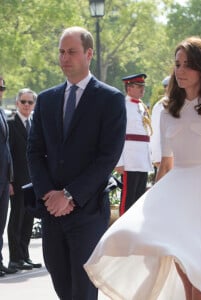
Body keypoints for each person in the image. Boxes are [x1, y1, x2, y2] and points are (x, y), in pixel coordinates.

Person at [84, 36, 201, 300]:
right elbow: (166, 164)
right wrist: (153, 208)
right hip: (176, 202)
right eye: (177, 64)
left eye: (187, 65)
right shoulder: (169, 111)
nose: (179, 71)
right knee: (187, 281)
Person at [27, 26, 126, 300]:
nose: (64, 58)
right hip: (52, 212)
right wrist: (50, 195)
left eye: (71, 52)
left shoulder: (110, 99)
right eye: (61, 52)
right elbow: (34, 152)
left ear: (89, 53)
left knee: (83, 290)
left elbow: (108, 156)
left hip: (88, 211)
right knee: (62, 285)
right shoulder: (46, 100)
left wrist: (70, 195)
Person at [7, 88, 42, 271]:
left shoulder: (35, 123)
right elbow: (8, 155)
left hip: (33, 180)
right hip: (17, 180)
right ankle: (15, 258)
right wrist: (10, 181)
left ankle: (25, 255)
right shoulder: (10, 124)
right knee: (16, 218)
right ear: (17, 103)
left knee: (29, 218)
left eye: (30, 102)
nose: (27, 105)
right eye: (23, 102)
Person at [115, 73, 153, 215]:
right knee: (128, 197)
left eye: (143, 86)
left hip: (141, 159)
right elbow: (118, 134)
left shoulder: (142, 107)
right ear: (129, 88)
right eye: (138, 87)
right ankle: (123, 228)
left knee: (138, 197)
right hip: (129, 159)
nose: (142, 90)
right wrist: (119, 161)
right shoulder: (122, 106)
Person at [0, 76, 17, 277]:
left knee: (1, 222)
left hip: (4, 178)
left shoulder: (2, 112)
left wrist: (10, 178)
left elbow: (6, 148)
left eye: (2, 88)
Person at [150, 75, 170, 168]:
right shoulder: (160, 106)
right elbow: (155, 133)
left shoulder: (184, 103)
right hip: (165, 156)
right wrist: (157, 158)